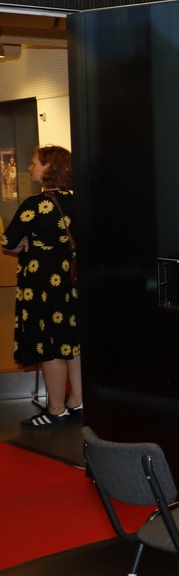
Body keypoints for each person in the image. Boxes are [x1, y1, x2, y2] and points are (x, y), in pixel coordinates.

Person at [4, 147, 81, 428]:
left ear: (49, 168)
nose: (29, 167)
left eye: (34, 163)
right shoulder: (78, 201)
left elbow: (9, 241)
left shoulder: (35, 204)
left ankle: (56, 408)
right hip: (71, 283)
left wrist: (24, 243)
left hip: (42, 285)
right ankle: (78, 400)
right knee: (72, 342)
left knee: (49, 345)